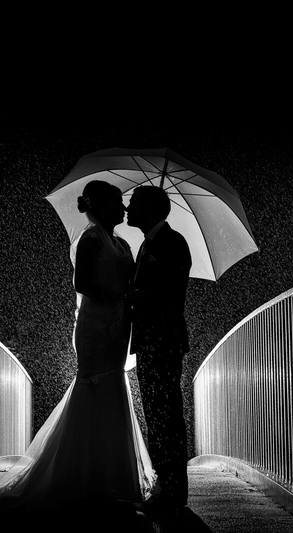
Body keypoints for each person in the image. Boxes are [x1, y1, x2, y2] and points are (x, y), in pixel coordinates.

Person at [0, 180, 156, 530]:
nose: (124, 208)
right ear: (101, 207)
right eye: (117, 202)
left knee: (111, 387)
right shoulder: (91, 239)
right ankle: (83, 477)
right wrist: (118, 294)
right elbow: (82, 283)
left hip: (117, 325)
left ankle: (105, 478)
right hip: (97, 324)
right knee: (95, 385)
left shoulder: (123, 243)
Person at [125, 185, 192, 517]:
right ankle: (168, 487)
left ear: (150, 208)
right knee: (158, 414)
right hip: (153, 343)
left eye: (135, 203)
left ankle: (173, 491)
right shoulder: (149, 244)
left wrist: (133, 295)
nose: (128, 206)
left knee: (165, 416)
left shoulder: (171, 243)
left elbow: (168, 293)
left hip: (163, 343)